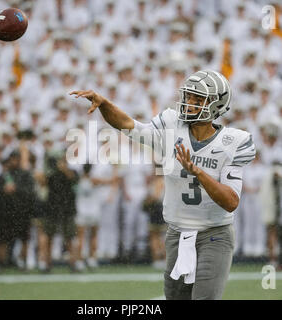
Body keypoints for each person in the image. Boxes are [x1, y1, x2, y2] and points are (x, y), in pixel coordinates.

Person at [70, 69, 256, 300]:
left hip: (214, 234)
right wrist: (105, 104)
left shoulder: (233, 141)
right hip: (177, 233)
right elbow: (130, 125)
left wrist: (198, 172)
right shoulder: (172, 125)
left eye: (198, 100)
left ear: (216, 104)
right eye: (188, 97)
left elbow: (231, 202)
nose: (189, 103)